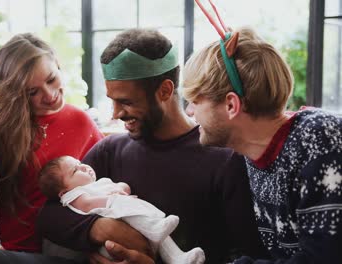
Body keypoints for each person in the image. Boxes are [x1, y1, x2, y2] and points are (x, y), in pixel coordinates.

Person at [38, 28, 267, 264]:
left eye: (125, 102)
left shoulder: (224, 160)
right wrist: (101, 228)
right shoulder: (111, 150)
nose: (116, 114)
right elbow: (49, 215)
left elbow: (250, 255)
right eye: (112, 101)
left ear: (165, 91)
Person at [182, 17, 342, 263]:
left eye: (195, 100)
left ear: (231, 105)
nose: (190, 112)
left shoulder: (320, 140)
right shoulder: (253, 155)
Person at [0, 33, 104, 256]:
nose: (49, 96)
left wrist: (93, 246)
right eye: (32, 92)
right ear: (13, 94)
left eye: (51, 79)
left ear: (58, 66)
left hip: (47, 249)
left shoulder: (81, 122)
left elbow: (101, 186)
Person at [39, 155, 206, 264]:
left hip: (137, 229)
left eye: (81, 163)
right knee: (148, 224)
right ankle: (154, 229)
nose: (84, 167)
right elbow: (87, 204)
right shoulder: (74, 194)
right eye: (76, 170)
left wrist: (120, 187)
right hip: (113, 243)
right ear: (64, 191)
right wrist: (110, 198)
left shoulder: (99, 182)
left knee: (159, 232)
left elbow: (123, 186)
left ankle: (178, 258)